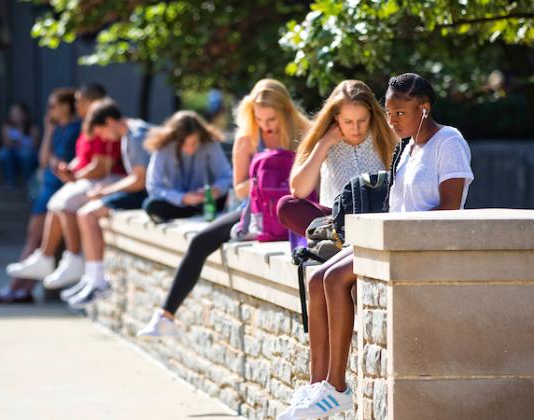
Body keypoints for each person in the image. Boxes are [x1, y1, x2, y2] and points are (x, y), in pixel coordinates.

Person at [280, 74, 474, 420]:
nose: (391, 120)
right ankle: (318, 385)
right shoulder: (407, 148)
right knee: (316, 280)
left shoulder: (449, 142)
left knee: (335, 279)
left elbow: (450, 208)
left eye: (400, 113)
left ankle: (337, 387)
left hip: (419, 245)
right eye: (388, 113)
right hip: (391, 238)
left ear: (424, 109)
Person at [137, 79, 310, 338]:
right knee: (199, 241)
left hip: (296, 209)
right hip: (257, 211)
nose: (265, 125)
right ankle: (166, 315)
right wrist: (264, 183)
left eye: (271, 119)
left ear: (285, 111)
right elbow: (238, 187)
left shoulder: (303, 132)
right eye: (259, 118)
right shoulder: (248, 138)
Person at [3, 84, 125, 291]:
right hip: (90, 179)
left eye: (80, 100)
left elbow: (101, 166)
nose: (76, 104)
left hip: (109, 180)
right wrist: (70, 169)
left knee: (66, 202)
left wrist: (76, 174)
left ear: (91, 101)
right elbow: (83, 159)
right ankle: (47, 257)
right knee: (56, 203)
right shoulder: (87, 126)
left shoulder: (103, 123)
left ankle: (73, 260)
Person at [0, 88, 80, 304]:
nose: (49, 110)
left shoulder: (74, 129)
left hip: (56, 190)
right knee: (37, 244)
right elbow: (43, 159)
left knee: (34, 241)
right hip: (47, 187)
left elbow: (54, 162)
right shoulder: (57, 129)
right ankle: (21, 288)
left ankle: (14, 288)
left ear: (66, 106)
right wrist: (48, 131)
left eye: (52, 105)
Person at [278, 79, 397, 237]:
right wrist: (324, 144)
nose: (356, 128)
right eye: (348, 121)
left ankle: (345, 245)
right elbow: (299, 191)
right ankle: (339, 241)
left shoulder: (388, 135)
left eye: (362, 120)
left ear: (371, 114)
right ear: (335, 117)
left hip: (377, 219)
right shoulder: (322, 138)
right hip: (336, 222)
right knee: (287, 206)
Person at [64, 99, 152, 309]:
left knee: (87, 214)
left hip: (149, 193)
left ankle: (97, 281)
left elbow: (140, 179)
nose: (103, 138)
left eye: (101, 132)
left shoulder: (137, 135)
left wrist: (105, 191)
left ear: (110, 121)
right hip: (145, 190)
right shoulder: (130, 132)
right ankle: (91, 277)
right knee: (84, 213)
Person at [142, 110, 232, 223]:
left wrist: (217, 189)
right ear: (174, 138)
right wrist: (182, 198)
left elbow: (227, 176)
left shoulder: (210, 143)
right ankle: (194, 211)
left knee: (228, 197)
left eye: (194, 143)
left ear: (201, 136)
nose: (190, 148)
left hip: (203, 200)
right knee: (150, 205)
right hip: (176, 202)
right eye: (184, 144)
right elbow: (153, 186)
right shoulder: (163, 147)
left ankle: (197, 210)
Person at [0, 102, 39, 189]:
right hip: (13, 153)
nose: (14, 115)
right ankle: (10, 182)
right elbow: (6, 143)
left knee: (25, 154)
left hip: (28, 155)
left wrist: (21, 129)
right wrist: (20, 143)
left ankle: (28, 182)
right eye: (12, 113)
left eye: (17, 113)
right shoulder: (6, 126)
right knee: (2, 153)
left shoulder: (33, 127)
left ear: (25, 114)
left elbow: (34, 145)